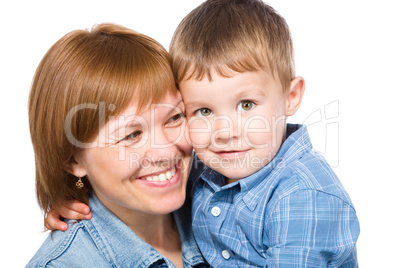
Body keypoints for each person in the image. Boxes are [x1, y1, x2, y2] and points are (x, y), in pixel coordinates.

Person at [47, 0, 360, 267]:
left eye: (247, 104)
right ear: (73, 159)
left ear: (291, 97)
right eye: (203, 112)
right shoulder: (210, 171)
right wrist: (73, 192)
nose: (224, 132)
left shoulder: (300, 198)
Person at [26, 23, 208, 268]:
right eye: (132, 135)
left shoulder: (217, 199)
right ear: (72, 161)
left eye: (175, 117)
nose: (166, 151)